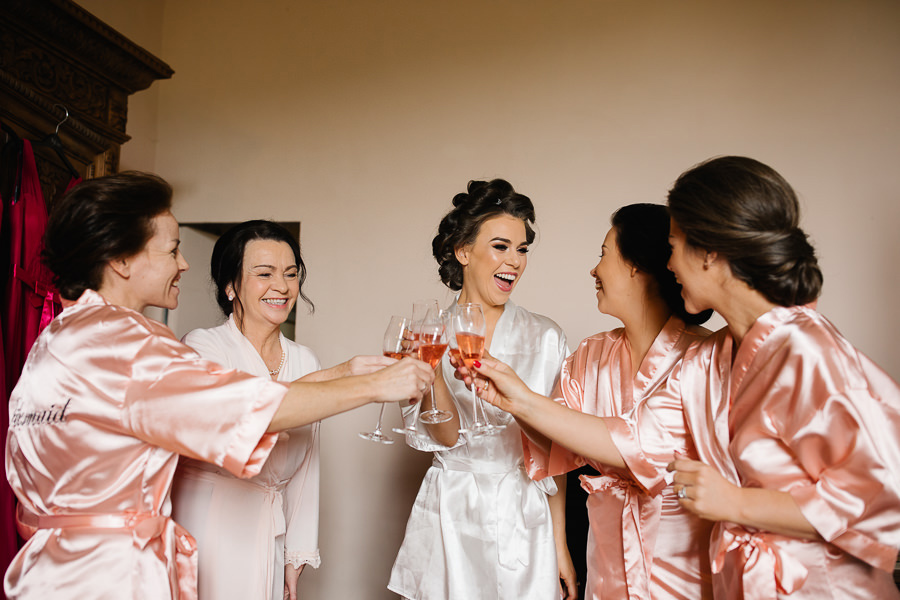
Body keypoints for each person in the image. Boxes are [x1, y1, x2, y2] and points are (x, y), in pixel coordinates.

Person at [4, 172, 433, 599]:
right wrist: (377, 385)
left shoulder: (60, 338)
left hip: (46, 569)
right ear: (121, 260)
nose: (185, 264)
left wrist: (345, 372)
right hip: (107, 576)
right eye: (173, 250)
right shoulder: (136, 349)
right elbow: (249, 409)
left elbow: (252, 398)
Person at [660, 156, 900, 599]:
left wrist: (734, 503)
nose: (669, 262)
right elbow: (640, 436)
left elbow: (884, 490)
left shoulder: (807, 350)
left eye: (673, 243)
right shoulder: (722, 351)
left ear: (710, 251)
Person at [470, 204, 716, 599]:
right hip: (607, 564)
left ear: (635, 266)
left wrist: (522, 400)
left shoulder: (706, 357)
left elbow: (639, 446)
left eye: (603, 254)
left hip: (683, 567)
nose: (594, 270)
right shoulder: (591, 354)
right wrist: (504, 399)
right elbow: (556, 442)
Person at [387, 179, 574, 600]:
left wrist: (560, 544)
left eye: (522, 248)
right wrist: (431, 369)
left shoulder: (546, 338)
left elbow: (555, 455)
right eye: (501, 246)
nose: (515, 261)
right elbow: (447, 436)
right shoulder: (428, 334)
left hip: (525, 515)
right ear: (463, 251)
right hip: (451, 512)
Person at [171, 220, 331, 600]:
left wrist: (296, 554)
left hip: (269, 528)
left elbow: (308, 466)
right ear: (230, 286)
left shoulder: (305, 360)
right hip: (209, 519)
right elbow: (250, 415)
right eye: (265, 274)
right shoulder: (203, 348)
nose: (282, 286)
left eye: (291, 274)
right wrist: (353, 380)